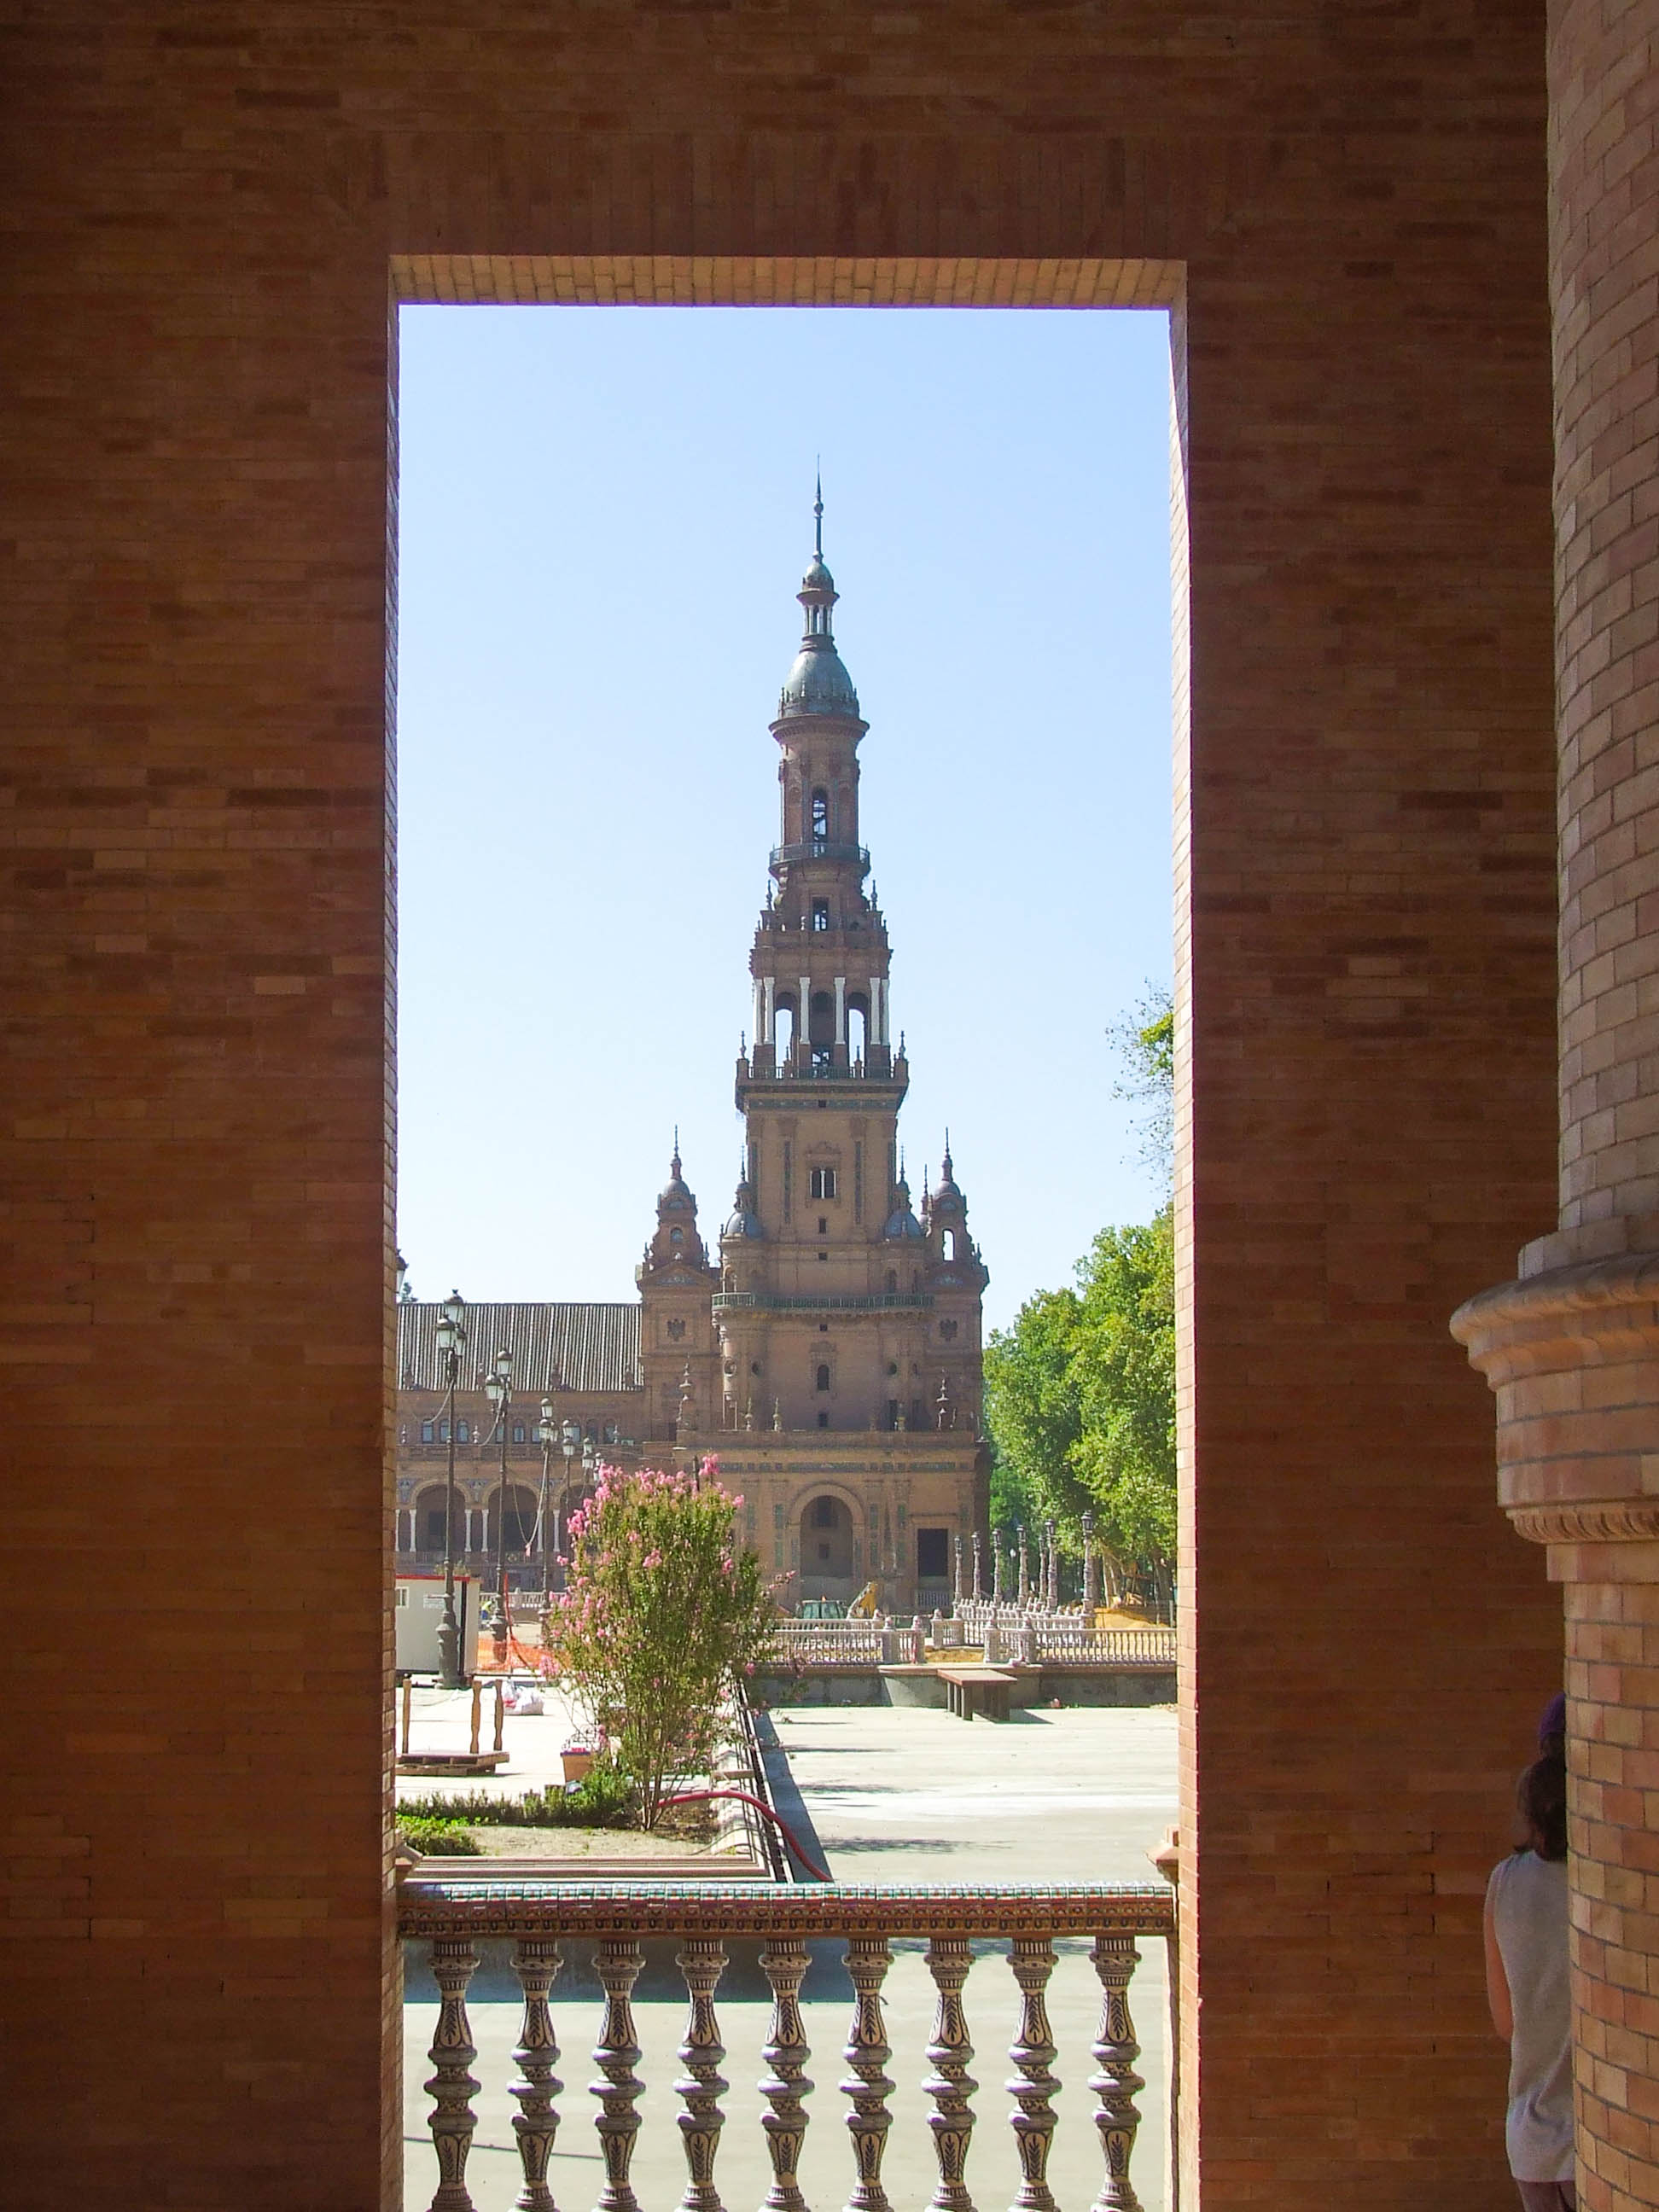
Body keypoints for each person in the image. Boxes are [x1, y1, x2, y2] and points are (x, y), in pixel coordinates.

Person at [1484, 1745, 1574, 2209]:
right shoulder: (1599, 1886)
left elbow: (1505, 2024)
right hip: (1596, 2137)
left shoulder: (1503, 1882)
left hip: (1529, 2136)